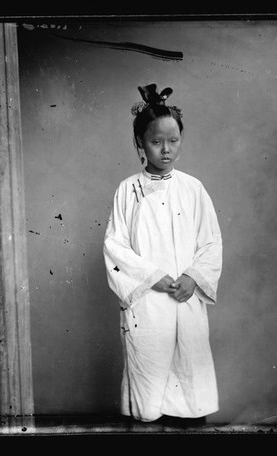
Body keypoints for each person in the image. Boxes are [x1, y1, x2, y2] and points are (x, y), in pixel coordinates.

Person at [102, 84, 223, 428]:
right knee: (150, 388)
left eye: (173, 141)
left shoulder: (192, 188)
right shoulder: (128, 190)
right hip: (147, 302)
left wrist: (193, 277)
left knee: (188, 380)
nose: (165, 150)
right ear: (141, 143)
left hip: (185, 298)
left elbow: (211, 242)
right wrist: (151, 276)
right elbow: (115, 246)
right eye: (156, 142)